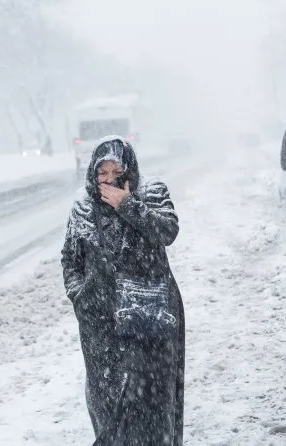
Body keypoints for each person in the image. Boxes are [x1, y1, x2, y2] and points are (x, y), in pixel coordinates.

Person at [61, 135, 185, 446]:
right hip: (100, 320)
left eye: (117, 171)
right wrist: (80, 296)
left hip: (151, 316)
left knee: (152, 402)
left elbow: (167, 232)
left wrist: (127, 204)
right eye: (102, 172)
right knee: (107, 401)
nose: (109, 179)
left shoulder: (152, 193)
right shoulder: (83, 206)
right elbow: (70, 258)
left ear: (129, 170)